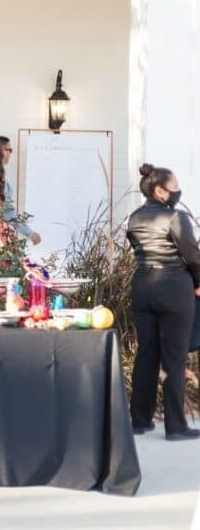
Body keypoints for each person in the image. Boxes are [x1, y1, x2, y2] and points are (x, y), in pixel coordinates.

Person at [126, 163, 200, 441]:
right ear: (159, 190)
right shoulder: (175, 217)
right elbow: (193, 256)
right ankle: (176, 426)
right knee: (174, 357)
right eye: (175, 186)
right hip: (174, 289)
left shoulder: (134, 217)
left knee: (146, 354)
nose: (178, 191)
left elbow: (139, 250)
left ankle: (139, 420)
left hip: (143, 287)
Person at [0, 136, 41, 246]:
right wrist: (30, 233)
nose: (10, 153)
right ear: (0, 151)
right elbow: (7, 213)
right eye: (9, 150)